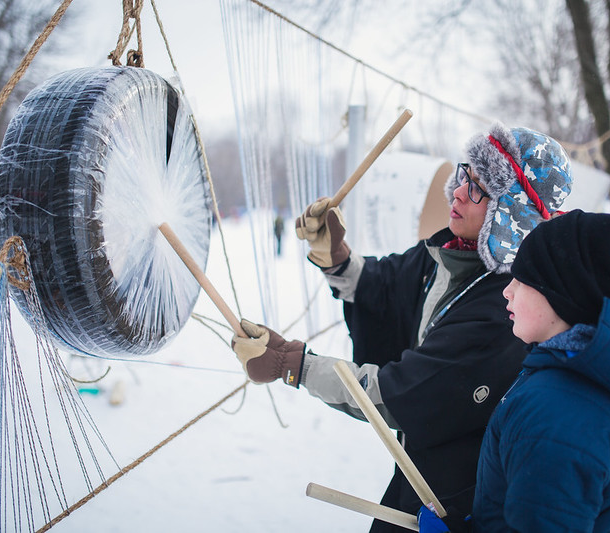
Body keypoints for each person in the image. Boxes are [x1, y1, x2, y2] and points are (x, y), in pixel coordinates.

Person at [232, 122, 573, 531]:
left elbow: (405, 393)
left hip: (462, 501)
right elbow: (386, 286)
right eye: (465, 174)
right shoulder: (454, 252)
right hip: (422, 476)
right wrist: (336, 255)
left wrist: (294, 364)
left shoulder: (506, 306)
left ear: (509, 217)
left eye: (480, 189)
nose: (460, 190)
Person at [418, 209, 610, 532]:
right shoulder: (581, 376)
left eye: (521, 280)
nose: (507, 291)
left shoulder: (558, 413)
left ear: (561, 296)